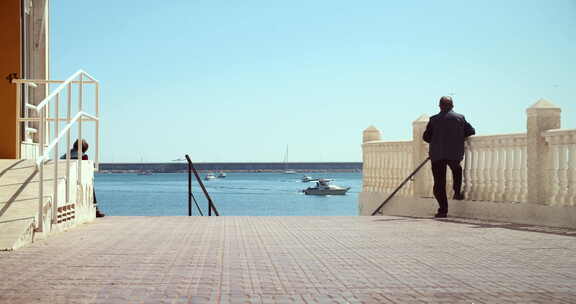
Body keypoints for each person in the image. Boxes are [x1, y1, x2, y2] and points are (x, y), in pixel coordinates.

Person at [423, 96, 475, 218]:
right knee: (457, 170)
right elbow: (471, 131)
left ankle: (443, 210)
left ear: (440, 106)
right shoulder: (460, 118)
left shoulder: (433, 119)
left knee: (439, 183)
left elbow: (426, 137)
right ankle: (457, 192)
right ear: (452, 106)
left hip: (437, 155)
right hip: (454, 153)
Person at [61, 139, 105, 218]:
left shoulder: (66, 154)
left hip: (65, 177)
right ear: (84, 148)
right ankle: (96, 210)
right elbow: (85, 170)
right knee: (91, 187)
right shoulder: (83, 156)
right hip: (76, 178)